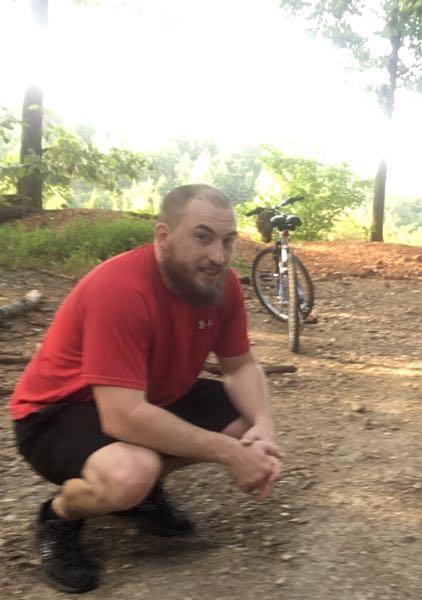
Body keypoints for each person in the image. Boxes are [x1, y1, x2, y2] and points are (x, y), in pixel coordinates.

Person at [9, 184, 282, 594]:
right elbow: (122, 417)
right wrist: (229, 453)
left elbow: (240, 365)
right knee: (131, 473)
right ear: (163, 236)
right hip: (54, 413)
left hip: (145, 394)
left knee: (245, 421)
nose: (218, 256)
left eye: (228, 241)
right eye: (203, 237)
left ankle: (140, 495)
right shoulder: (121, 289)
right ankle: (59, 516)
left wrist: (264, 426)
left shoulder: (220, 287)